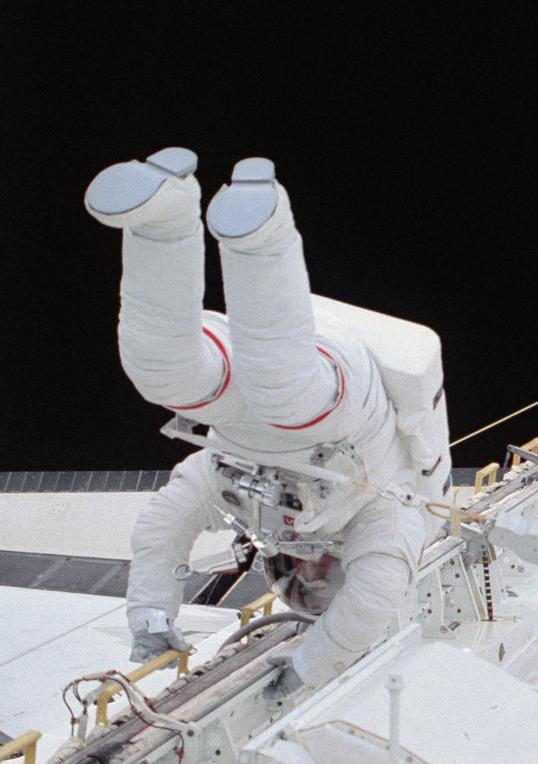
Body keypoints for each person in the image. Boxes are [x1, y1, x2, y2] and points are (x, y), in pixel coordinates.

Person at [85, 148, 433, 700]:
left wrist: (150, 616)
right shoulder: (386, 517)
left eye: (298, 578)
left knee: (164, 372)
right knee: (282, 387)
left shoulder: (239, 498)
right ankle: (263, 230)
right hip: (340, 407)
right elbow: (371, 601)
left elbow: (164, 524)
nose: (309, 570)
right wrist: (307, 669)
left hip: (242, 422)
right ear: (337, 570)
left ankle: (164, 219)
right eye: (320, 581)